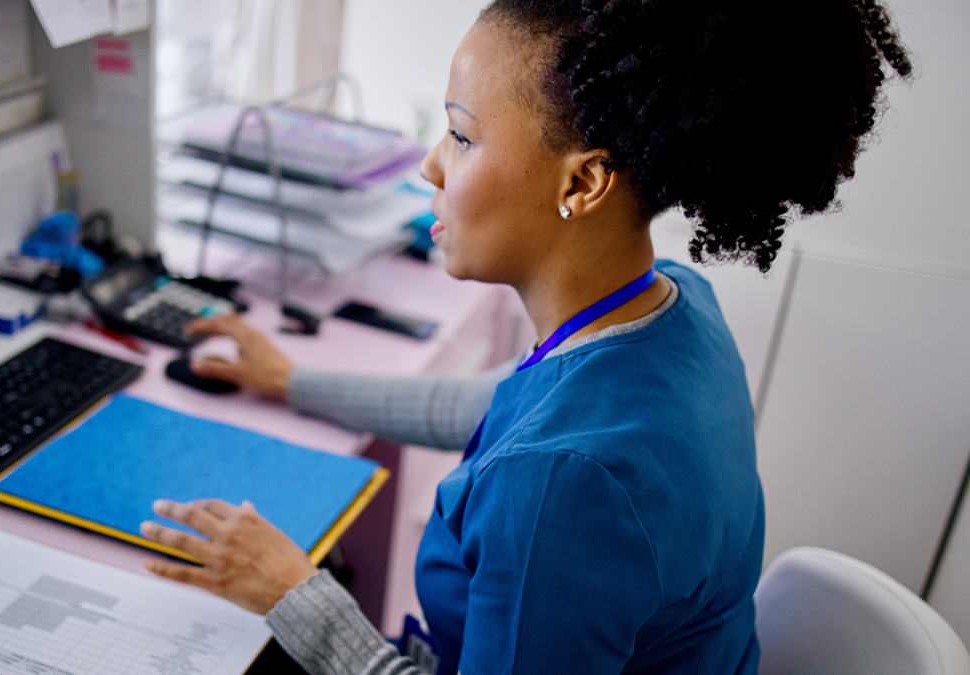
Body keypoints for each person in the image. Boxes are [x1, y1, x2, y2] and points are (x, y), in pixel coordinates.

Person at [138, 0, 913, 672]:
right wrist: (290, 381)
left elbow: (543, 451)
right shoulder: (676, 308)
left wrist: (294, 593)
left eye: (461, 136)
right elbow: (498, 405)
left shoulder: (560, 485)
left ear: (582, 182)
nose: (429, 167)